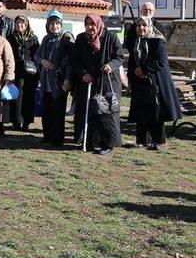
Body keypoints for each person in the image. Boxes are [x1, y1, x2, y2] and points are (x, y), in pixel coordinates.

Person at [72, 13, 124, 154]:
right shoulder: (81, 38)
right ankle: (88, 141)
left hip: (107, 80)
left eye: (93, 24)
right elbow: (75, 60)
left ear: (99, 24)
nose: (90, 27)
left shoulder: (111, 37)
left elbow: (119, 57)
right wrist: (83, 74)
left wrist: (110, 65)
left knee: (106, 112)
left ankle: (107, 144)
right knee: (87, 111)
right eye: (87, 24)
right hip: (88, 81)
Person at [128, 16, 182, 150]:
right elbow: (132, 61)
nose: (141, 28)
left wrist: (144, 69)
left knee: (155, 112)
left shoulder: (158, 42)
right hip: (139, 82)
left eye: (144, 25)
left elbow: (161, 62)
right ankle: (141, 141)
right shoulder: (136, 42)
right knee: (141, 111)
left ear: (150, 27)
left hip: (155, 82)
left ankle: (159, 142)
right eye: (138, 25)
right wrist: (133, 75)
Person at [34, 10, 74, 146]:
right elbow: (37, 56)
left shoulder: (66, 37)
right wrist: (43, 61)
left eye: (57, 23)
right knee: (47, 110)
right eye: (52, 23)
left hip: (59, 81)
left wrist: (67, 79)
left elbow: (70, 60)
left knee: (58, 111)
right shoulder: (46, 38)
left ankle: (57, 139)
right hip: (46, 81)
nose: (54, 26)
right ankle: (47, 137)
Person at [8, 15, 40, 131]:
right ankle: (16, 122)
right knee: (16, 96)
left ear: (26, 25)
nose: (19, 25)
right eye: (17, 23)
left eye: (22, 23)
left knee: (28, 97)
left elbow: (37, 55)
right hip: (16, 71)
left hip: (30, 73)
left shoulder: (34, 38)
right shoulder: (11, 37)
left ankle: (26, 122)